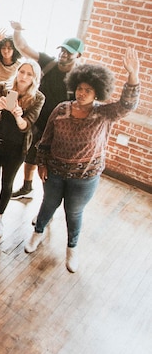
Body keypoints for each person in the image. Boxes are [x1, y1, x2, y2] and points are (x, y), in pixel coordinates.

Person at [25, 48, 140, 273]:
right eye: (79, 88)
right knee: (48, 204)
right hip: (55, 173)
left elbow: (128, 105)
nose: (82, 93)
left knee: (74, 213)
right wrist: (41, 162)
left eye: (88, 90)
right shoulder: (61, 109)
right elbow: (46, 139)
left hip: (85, 177)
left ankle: (72, 249)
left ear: (97, 92)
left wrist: (133, 76)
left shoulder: (105, 113)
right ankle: (36, 234)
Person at [10, 21, 85, 199]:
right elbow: (22, 46)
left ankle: (49, 201)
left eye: (69, 52)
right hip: (38, 120)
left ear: (78, 55)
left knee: (51, 165)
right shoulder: (49, 63)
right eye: (62, 50)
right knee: (29, 154)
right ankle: (27, 187)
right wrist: (18, 30)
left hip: (61, 127)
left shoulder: (79, 77)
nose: (63, 55)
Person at [0, 60, 45, 238]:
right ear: (17, 71)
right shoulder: (2, 87)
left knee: (7, 182)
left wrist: (18, 115)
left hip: (16, 146)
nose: (24, 76)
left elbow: (27, 126)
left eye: (29, 74)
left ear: (34, 78)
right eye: (22, 72)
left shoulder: (38, 97)